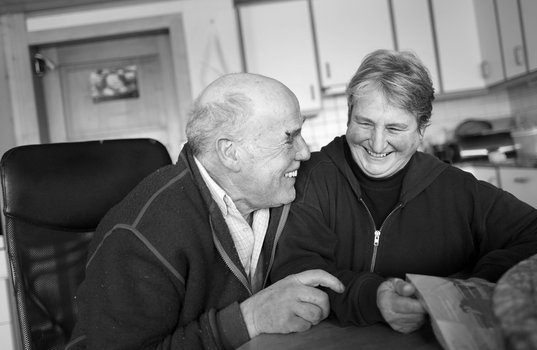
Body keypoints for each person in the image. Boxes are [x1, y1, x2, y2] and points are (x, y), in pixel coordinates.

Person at [271, 49, 537, 334]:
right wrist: (373, 296)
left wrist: (472, 285)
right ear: (349, 116)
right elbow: (294, 269)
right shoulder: (313, 175)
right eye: (365, 123)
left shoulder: (454, 187)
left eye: (395, 129)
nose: (377, 144)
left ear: (421, 130)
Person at [67, 73, 345, 349]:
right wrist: (248, 319)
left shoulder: (283, 192)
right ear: (231, 152)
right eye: (289, 138)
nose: (304, 152)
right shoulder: (140, 232)